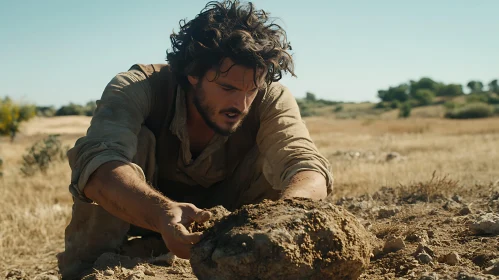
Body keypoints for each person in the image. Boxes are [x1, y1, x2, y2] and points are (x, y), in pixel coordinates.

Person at [57, 0, 333, 278]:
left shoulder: (271, 98)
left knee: (277, 162)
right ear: (192, 73)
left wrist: (285, 219)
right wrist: (163, 213)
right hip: (139, 211)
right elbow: (97, 166)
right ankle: (86, 270)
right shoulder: (137, 87)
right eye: (227, 87)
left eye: (252, 89)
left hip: (235, 227)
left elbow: (305, 164)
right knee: (115, 155)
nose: (241, 103)